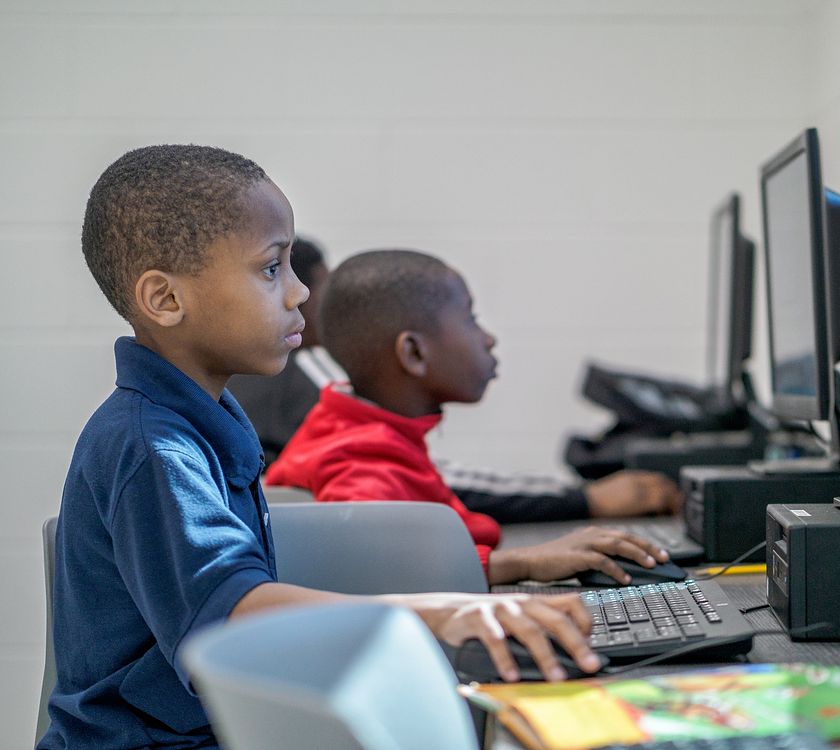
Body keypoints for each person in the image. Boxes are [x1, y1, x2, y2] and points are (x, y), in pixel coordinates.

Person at [41, 146, 602, 750]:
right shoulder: (152, 447)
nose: (300, 292)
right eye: (270, 269)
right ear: (166, 300)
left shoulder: (203, 417)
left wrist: (505, 569)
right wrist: (442, 613)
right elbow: (231, 611)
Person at [266, 249, 673, 586]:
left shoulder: (368, 431)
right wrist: (525, 563)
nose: (488, 338)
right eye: (470, 319)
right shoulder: (359, 459)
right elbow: (378, 571)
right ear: (414, 354)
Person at [227, 236, 334, 465]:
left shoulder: (226, 367)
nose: (334, 307)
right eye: (325, 292)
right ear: (298, 294)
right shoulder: (304, 378)